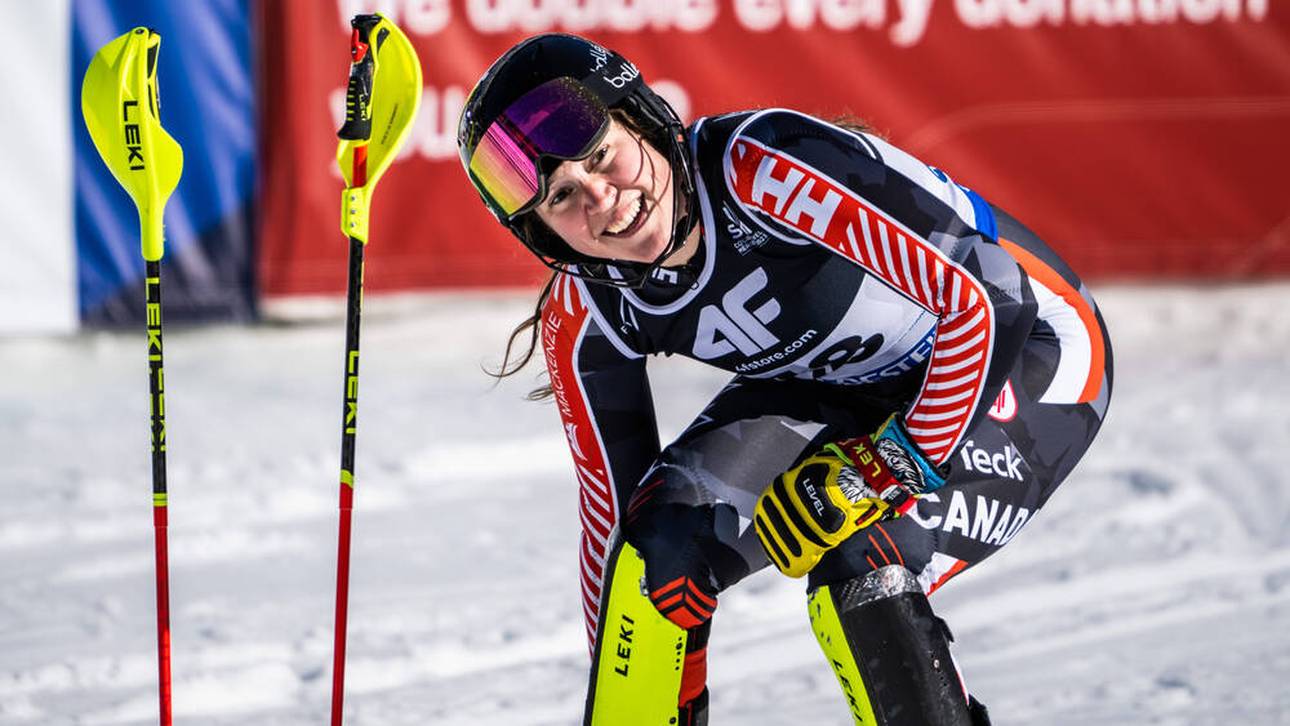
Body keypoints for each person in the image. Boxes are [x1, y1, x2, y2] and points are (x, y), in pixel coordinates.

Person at [457, 33, 1112, 726]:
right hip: (844, 386)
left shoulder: (763, 168)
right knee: (654, 561)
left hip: (1028, 348)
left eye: (600, 156)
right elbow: (611, 530)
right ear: (544, 234)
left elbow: (994, 298)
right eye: (562, 196)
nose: (602, 199)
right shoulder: (586, 309)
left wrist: (883, 468)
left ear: (642, 120)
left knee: (861, 562)